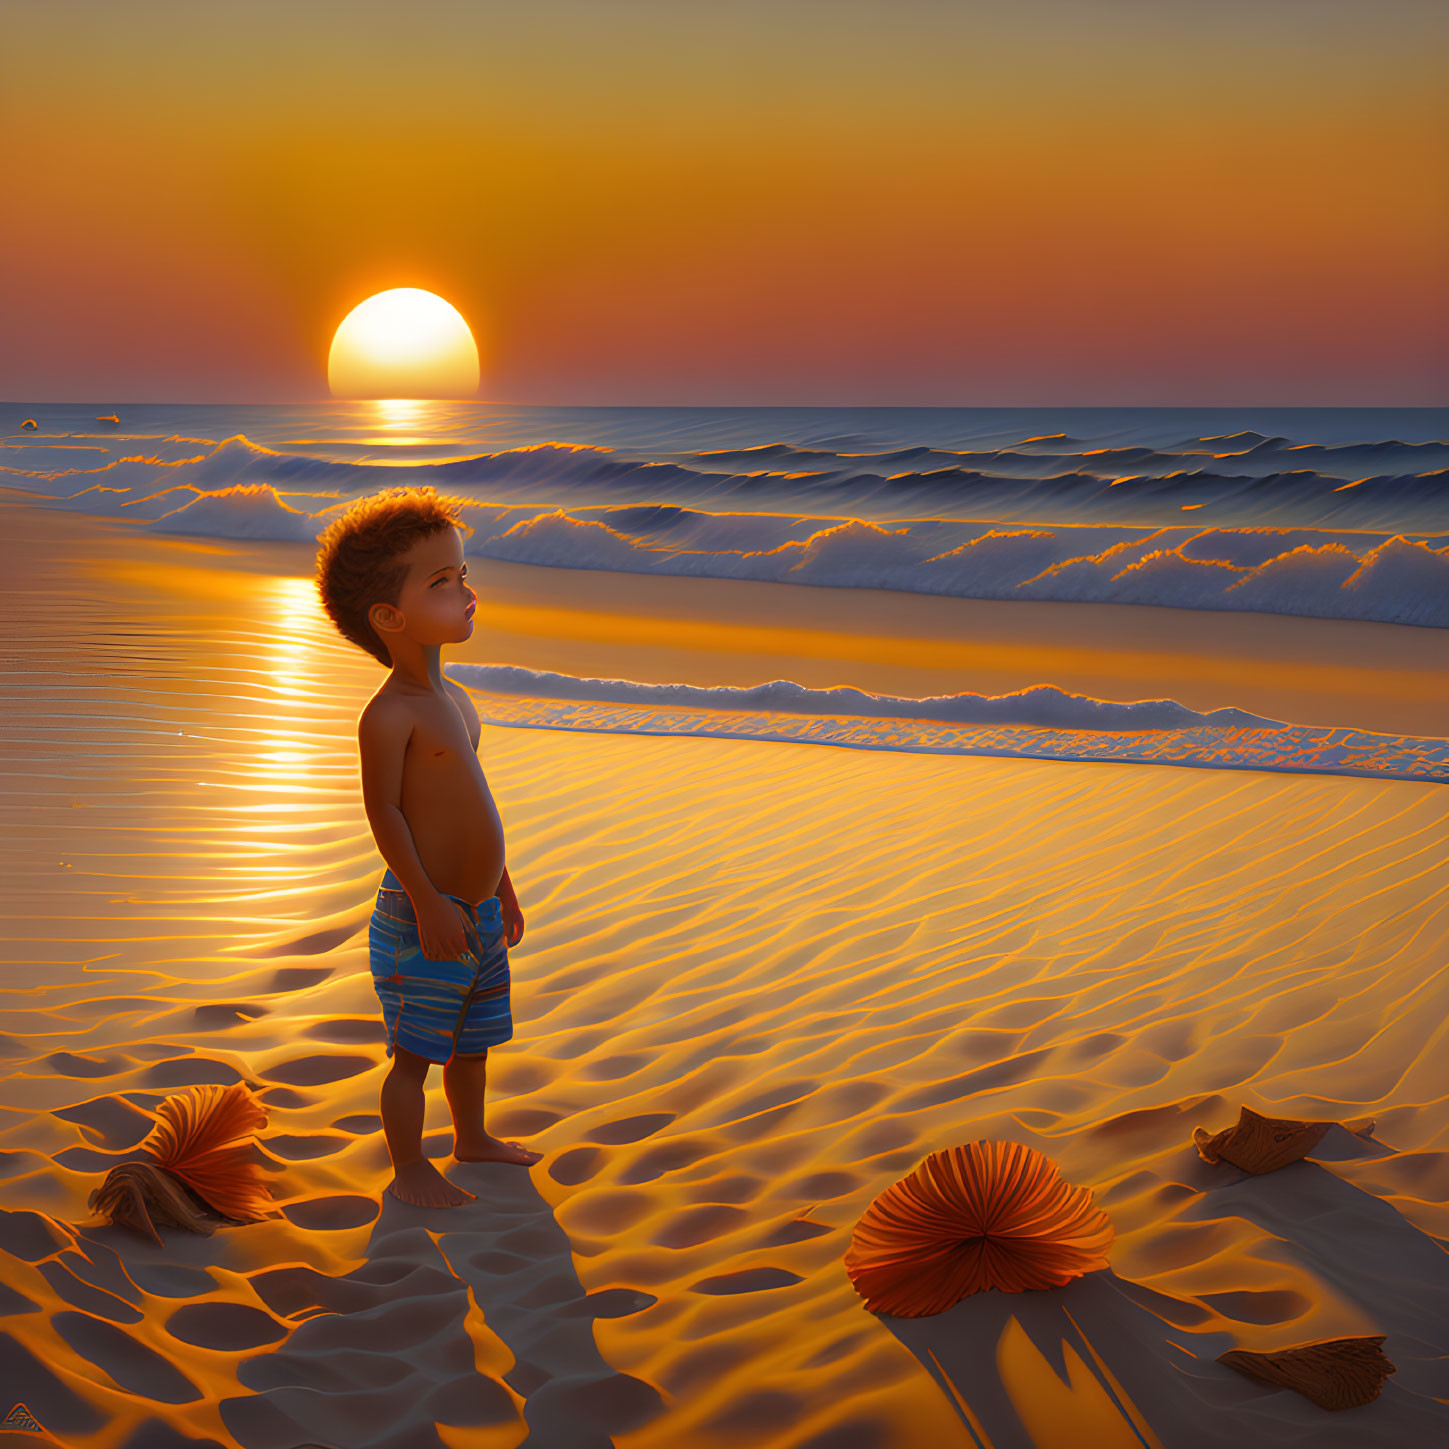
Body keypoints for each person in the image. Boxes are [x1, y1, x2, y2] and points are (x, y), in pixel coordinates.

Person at [314, 484, 542, 1207]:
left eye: (464, 574)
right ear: (390, 616)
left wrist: (497, 886)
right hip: (423, 915)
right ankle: (410, 1167)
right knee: (416, 1051)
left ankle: (469, 1136)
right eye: (442, 582)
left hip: (472, 911)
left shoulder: (459, 700)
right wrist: (425, 901)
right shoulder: (390, 714)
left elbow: (475, 807)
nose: (467, 592)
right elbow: (385, 813)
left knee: (471, 1041)